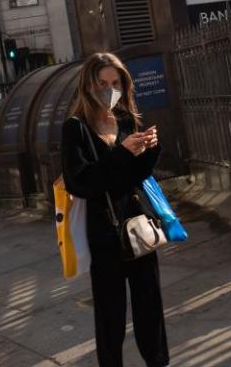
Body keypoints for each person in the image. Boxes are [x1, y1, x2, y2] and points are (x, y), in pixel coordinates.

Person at [61, 52, 169, 367]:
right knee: (111, 313)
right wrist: (121, 153)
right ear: (89, 86)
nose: (110, 89)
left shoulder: (125, 119)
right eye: (103, 83)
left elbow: (137, 176)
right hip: (105, 233)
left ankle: (158, 361)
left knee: (150, 302)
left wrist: (151, 148)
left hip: (138, 224)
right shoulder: (76, 128)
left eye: (116, 82)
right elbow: (80, 182)